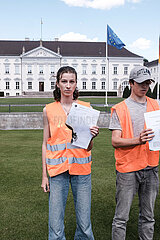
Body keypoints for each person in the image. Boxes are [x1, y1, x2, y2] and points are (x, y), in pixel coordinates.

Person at [41, 66, 99, 240]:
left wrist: (92, 137)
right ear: (58, 84)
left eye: (71, 81)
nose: (68, 85)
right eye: (64, 81)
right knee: (56, 224)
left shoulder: (86, 108)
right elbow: (45, 143)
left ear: (76, 84)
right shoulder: (48, 110)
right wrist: (44, 176)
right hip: (57, 171)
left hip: (81, 171)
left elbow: (88, 147)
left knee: (84, 223)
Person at [109, 66, 160, 240]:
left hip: (151, 167)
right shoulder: (120, 108)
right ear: (131, 83)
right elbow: (115, 141)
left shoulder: (156, 105)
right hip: (128, 169)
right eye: (140, 83)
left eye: (147, 82)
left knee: (148, 217)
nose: (145, 86)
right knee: (121, 218)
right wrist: (138, 140)